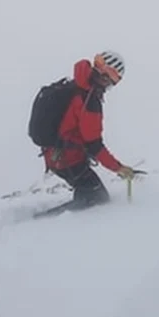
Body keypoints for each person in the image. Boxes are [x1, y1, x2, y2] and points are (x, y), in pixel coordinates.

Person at [38, 51, 140, 209]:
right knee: (97, 200)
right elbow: (95, 145)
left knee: (89, 193)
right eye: (112, 80)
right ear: (106, 75)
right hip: (67, 159)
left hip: (54, 154)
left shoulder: (76, 84)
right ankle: (47, 224)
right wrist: (119, 168)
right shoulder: (89, 101)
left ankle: (56, 220)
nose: (109, 85)